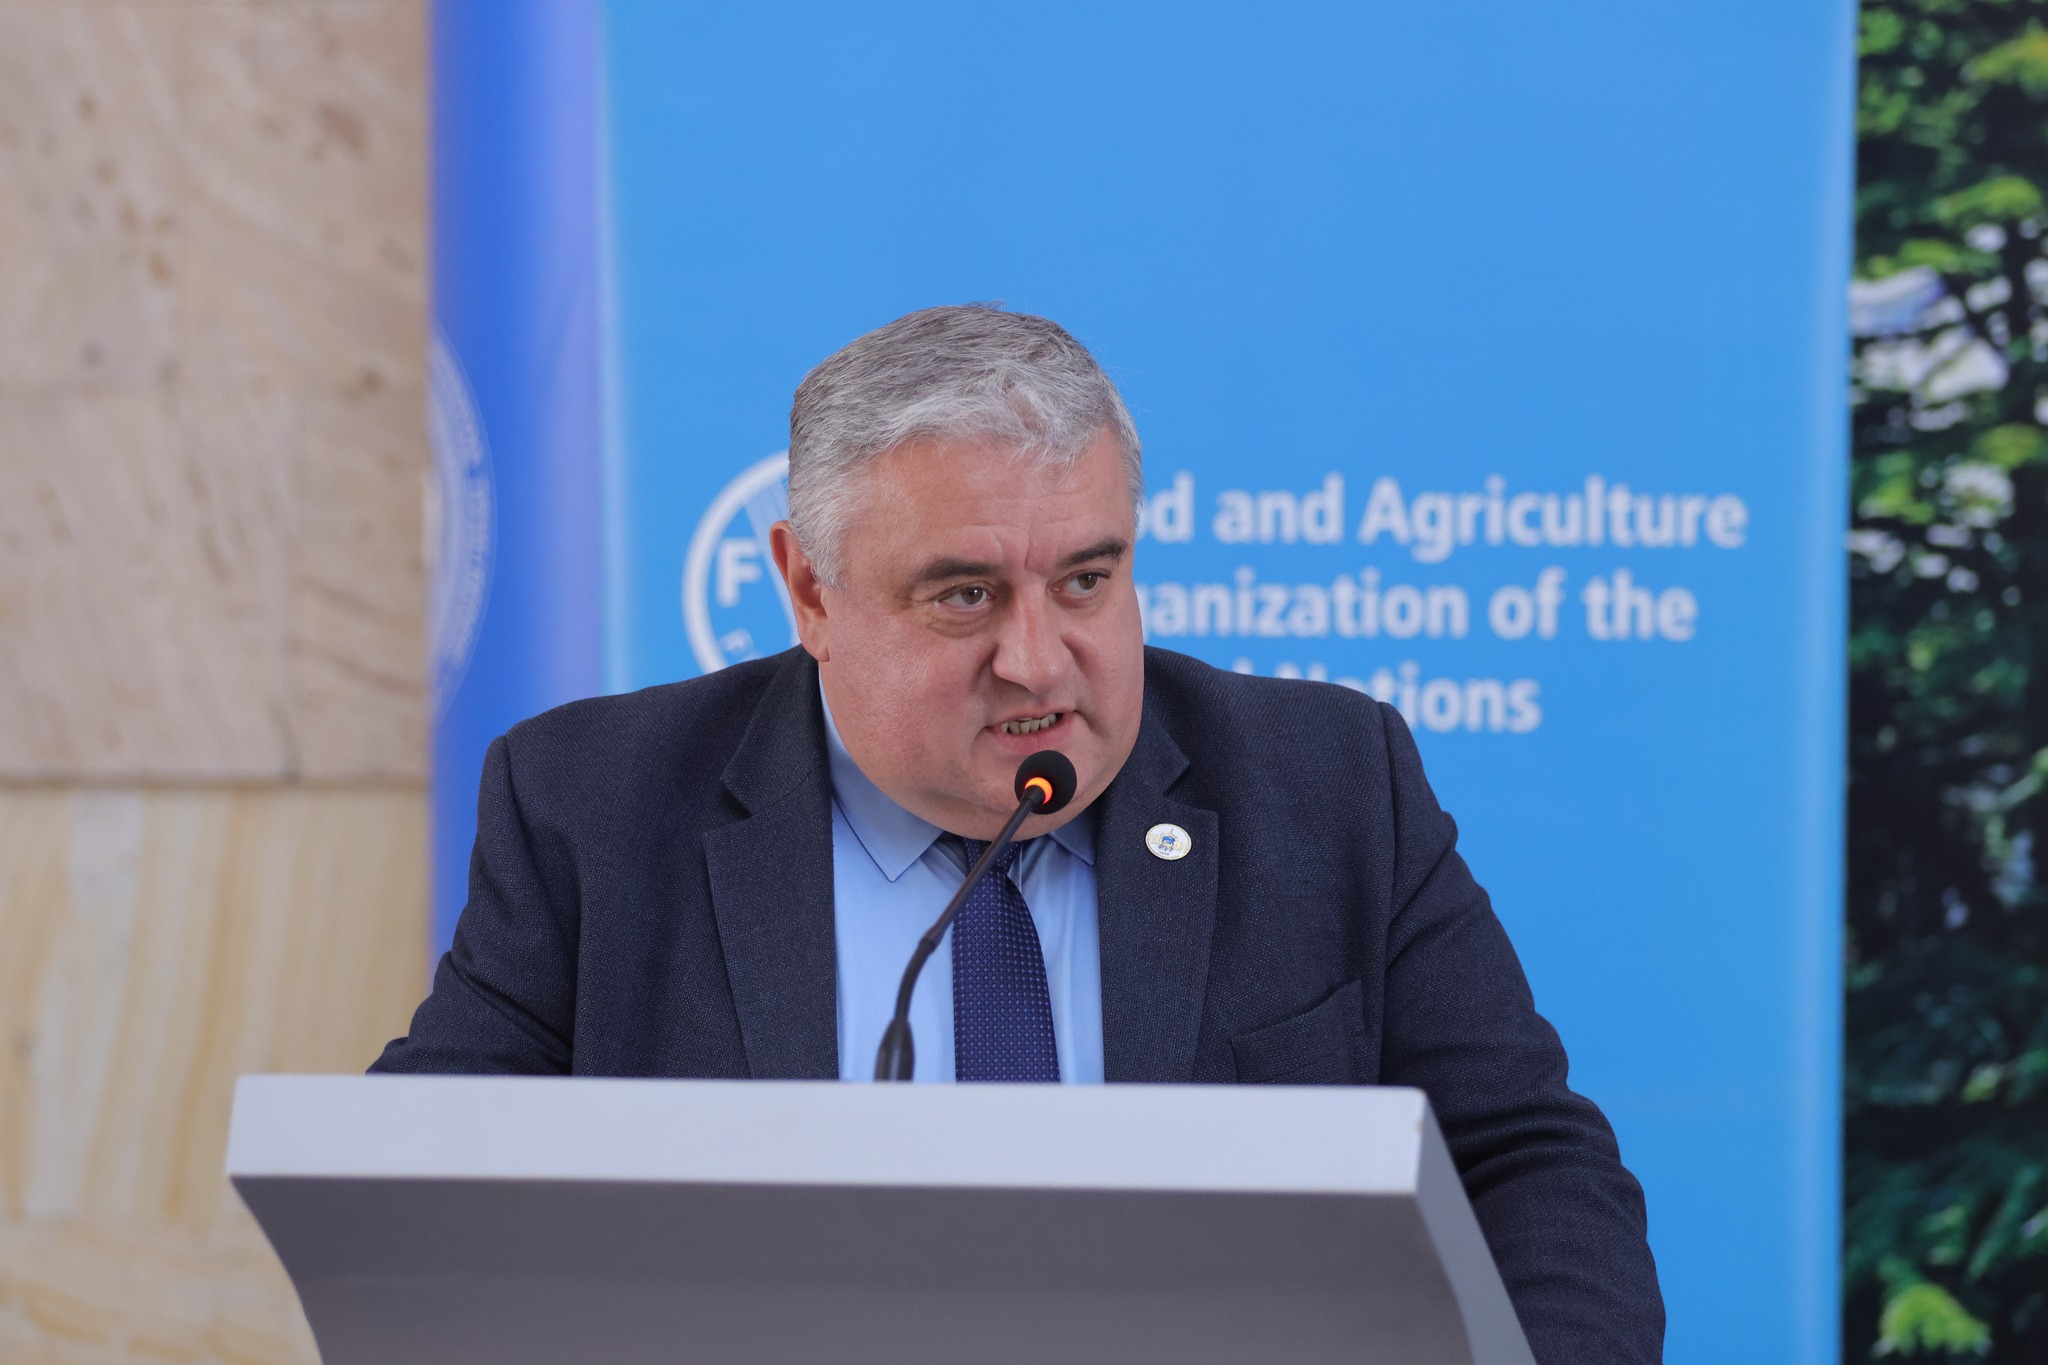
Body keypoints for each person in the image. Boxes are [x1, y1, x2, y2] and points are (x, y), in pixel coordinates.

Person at [373, 304, 1663, 1361]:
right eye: (965, 596)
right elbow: (420, 1199)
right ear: (810, 590)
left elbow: (1529, 1168)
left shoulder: (1324, 785)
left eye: (1087, 581)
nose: (1038, 661)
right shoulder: (593, 806)